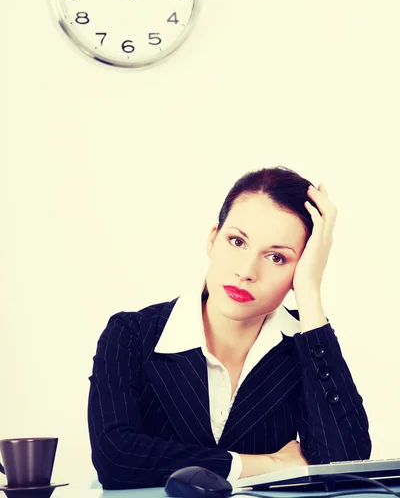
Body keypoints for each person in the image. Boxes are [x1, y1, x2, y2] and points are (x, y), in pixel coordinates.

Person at [87, 166, 371, 489]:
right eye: (237, 241)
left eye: (276, 258)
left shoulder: (302, 346)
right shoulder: (131, 336)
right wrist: (271, 465)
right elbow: (115, 459)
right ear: (212, 239)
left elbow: (347, 465)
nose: (247, 271)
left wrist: (309, 292)